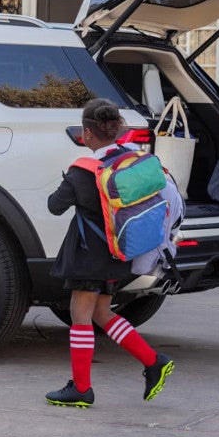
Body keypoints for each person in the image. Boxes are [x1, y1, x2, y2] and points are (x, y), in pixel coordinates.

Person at [45, 98, 175, 408]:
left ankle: (81, 388)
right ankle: (153, 361)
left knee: (80, 315)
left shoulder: (83, 171)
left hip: (89, 254)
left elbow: (54, 205)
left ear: (87, 134)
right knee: (102, 313)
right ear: (115, 130)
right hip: (121, 250)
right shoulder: (130, 160)